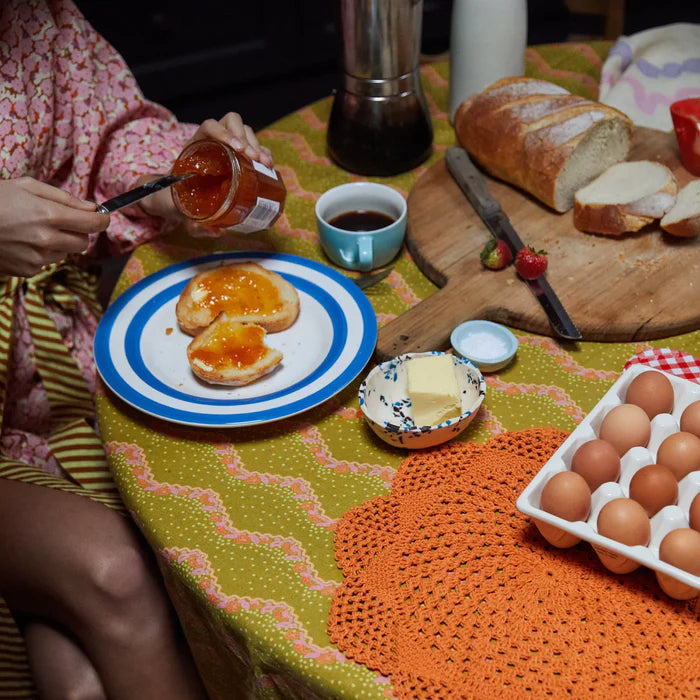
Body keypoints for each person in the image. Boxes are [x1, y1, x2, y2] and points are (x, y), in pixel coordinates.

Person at [0, 1, 273, 697]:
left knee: (76, 685)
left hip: (50, 383)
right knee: (118, 576)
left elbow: (109, 137)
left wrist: (179, 180)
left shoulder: (36, 19)